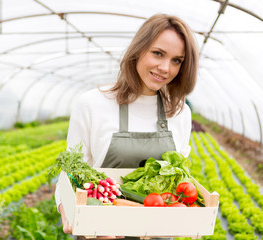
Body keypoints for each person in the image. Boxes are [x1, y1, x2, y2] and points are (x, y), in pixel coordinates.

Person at [55, 13, 199, 240]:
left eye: (176, 60)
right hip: (100, 229)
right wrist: (65, 206)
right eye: (158, 53)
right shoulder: (93, 104)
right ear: (139, 50)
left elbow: (178, 182)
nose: (165, 67)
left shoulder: (179, 112)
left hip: (159, 233)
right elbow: (71, 173)